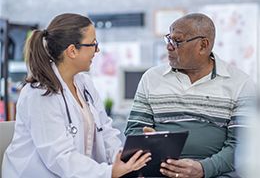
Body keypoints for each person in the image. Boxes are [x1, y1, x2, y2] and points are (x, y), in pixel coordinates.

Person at [2, 13, 151, 178]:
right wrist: (108, 173)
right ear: (72, 51)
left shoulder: (84, 84)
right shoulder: (39, 94)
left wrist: (124, 159)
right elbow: (59, 157)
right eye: (93, 44)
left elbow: (106, 131)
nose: (97, 50)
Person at [125, 13, 256, 178]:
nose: (169, 46)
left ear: (203, 45)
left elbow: (242, 146)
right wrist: (148, 143)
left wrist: (203, 169)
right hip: (160, 172)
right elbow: (134, 131)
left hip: (215, 174)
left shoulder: (241, 83)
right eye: (168, 39)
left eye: (177, 41)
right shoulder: (151, 78)